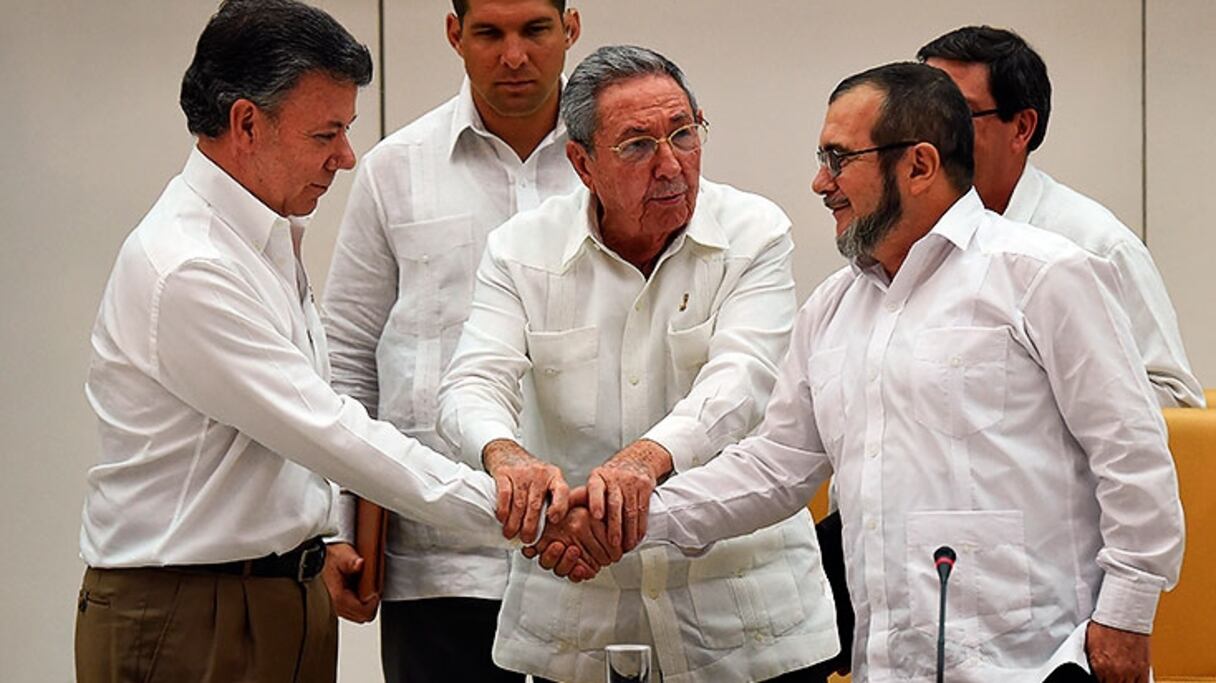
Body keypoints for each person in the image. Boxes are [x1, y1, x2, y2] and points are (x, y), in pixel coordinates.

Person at [74, 2, 596, 681]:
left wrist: (330, 535)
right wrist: (523, 510)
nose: (347, 157)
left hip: (277, 590)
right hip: (192, 612)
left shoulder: (259, 238)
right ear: (246, 124)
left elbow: (308, 422)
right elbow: (329, 428)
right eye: (327, 133)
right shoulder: (190, 266)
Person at [640, 62, 1184, 683]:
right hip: (889, 663)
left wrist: (1127, 615)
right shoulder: (832, 308)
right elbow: (775, 465)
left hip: (1038, 662)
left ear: (919, 165)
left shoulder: (1044, 275)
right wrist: (633, 520)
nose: (820, 182)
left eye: (839, 158)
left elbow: (1133, 454)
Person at [437, 45, 840, 683]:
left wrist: (642, 462)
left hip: (748, 623)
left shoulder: (754, 232)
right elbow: (471, 381)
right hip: (581, 622)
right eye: (637, 146)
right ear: (582, 162)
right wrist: (505, 456)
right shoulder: (520, 249)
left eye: (684, 133)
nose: (672, 164)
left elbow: (739, 384)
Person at [320, 0, 582, 680]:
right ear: (453, 35)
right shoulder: (394, 168)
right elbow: (346, 355)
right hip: (438, 562)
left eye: (535, 30)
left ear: (571, 28)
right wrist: (339, 529)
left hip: (585, 550)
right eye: (490, 33)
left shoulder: (610, 166)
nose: (514, 56)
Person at [917, 25, 1203, 408]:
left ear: (1021, 128)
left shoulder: (1094, 244)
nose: (934, 135)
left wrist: (1028, 405)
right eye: (923, 115)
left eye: (958, 115)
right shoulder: (911, 238)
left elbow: (1176, 401)